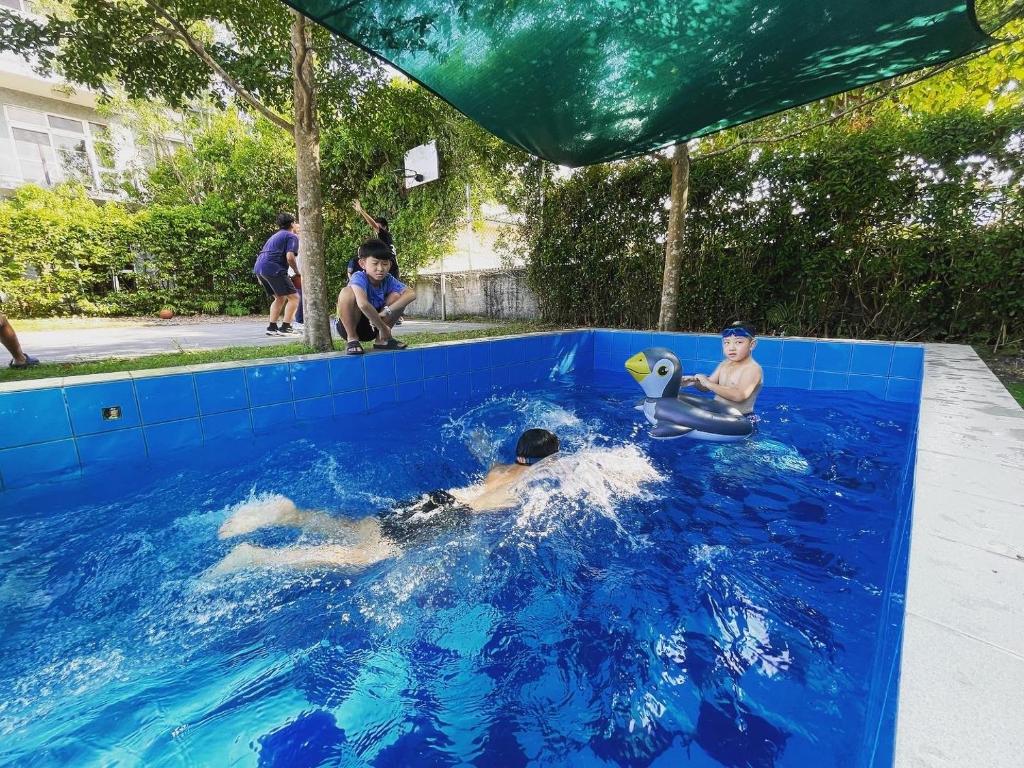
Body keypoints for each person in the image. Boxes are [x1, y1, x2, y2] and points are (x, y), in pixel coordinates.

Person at [211, 429, 561, 574]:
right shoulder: (535, 478)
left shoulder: (502, 469)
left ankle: (291, 515)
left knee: (358, 528)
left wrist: (478, 442)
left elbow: (488, 458)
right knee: (364, 557)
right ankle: (258, 557)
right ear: (546, 461)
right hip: (456, 512)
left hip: (441, 497)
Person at [335, 238, 416, 355]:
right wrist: (383, 328)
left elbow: (411, 294)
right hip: (352, 325)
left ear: (390, 265)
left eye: (385, 264)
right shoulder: (358, 277)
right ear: (362, 264)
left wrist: (386, 311)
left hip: (374, 327)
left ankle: (382, 340)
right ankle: (352, 339)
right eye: (375, 263)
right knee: (346, 292)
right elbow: (363, 304)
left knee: (397, 296)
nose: (380, 268)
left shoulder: (388, 279)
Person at [683, 320, 764, 414]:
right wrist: (694, 382)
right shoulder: (725, 364)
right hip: (718, 414)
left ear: (752, 344)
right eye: (727, 342)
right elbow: (706, 387)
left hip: (739, 420)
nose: (731, 347)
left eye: (738, 342)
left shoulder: (753, 369)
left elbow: (740, 395)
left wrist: (707, 383)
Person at [253, 212, 301, 337]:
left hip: (260, 267)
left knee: (280, 298)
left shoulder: (276, 236)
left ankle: (272, 327)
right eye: (295, 222)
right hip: (273, 268)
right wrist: (296, 272)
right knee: (294, 298)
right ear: (292, 224)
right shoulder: (291, 236)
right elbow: (290, 257)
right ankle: (286, 327)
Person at [348, 199, 400, 280]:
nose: (375, 229)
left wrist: (361, 211)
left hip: (389, 269)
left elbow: (375, 226)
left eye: (377, 226)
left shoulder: (384, 234)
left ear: (384, 227)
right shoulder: (387, 239)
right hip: (393, 269)